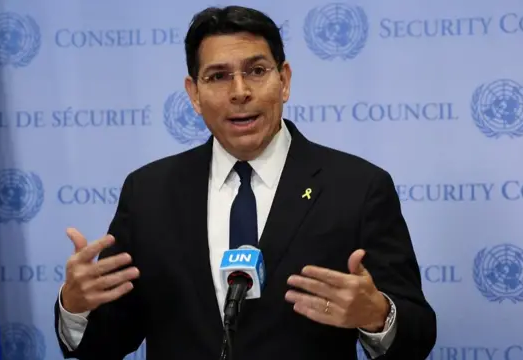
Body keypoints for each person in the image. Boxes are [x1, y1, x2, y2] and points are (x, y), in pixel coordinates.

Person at [53, 5, 436, 360]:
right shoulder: (148, 192)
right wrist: (76, 307)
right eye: (218, 76)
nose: (240, 92)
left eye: (256, 71)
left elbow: (417, 336)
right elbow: (107, 342)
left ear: (283, 80)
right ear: (195, 94)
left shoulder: (357, 187)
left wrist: (377, 316)